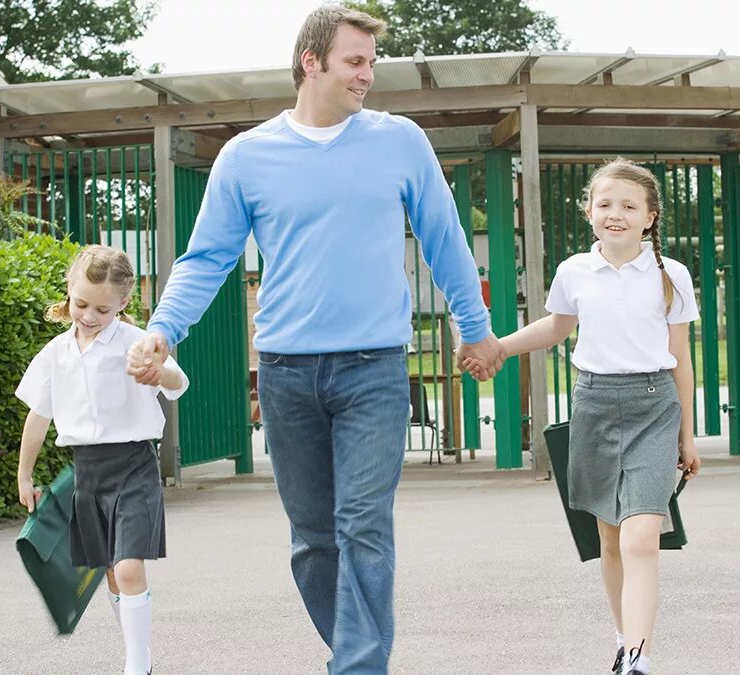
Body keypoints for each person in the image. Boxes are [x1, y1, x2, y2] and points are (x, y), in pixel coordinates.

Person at [126, 6, 504, 672]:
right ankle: (362, 654)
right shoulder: (247, 156)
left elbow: (446, 240)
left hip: (374, 370)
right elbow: (206, 257)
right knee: (313, 541)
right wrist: (163, 328)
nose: (368, 74)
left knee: (363, 524)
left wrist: (476, 331)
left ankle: (357, 666)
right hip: (286, 373)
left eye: (371, 62)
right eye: (356, 61)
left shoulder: (400, 142)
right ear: (312, 61)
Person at [464, 158, 700, 675]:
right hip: (594, 405)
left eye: (629, 206)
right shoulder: (574, 270)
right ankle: (624, 639)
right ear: (589, 211)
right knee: (610, 538)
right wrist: (498, 348)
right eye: (605, 204)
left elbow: (681, 360)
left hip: (655, 406)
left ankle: (637, 659)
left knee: (643, 534)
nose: (616, 214)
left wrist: (688, 437)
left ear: (650, 217)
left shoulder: (671, 275)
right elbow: (556, 327)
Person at [15, 244, 189, 675]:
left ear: (123, 304)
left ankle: (135, 665)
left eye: (103, 309)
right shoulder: (55, 353)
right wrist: (24, 474)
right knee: (112, 572)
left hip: (134, 466)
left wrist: (156, 368)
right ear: (69, 293)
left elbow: (177, 382)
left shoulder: (137, 342)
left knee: (129, 566)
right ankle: (140, 653)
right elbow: (38, 418)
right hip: (86, 473)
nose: (90, 315)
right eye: (81, 304)